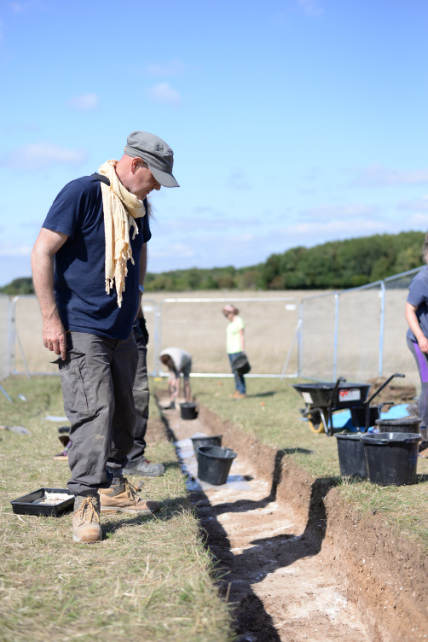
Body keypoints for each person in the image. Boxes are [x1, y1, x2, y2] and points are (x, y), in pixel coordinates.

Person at [31, 131, 179, 544]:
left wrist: (137, 298)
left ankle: (113, 488)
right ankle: (85, 500)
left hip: (122, 327)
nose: (156, 190)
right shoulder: (80, 193)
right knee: (93, 412)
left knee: (125, 413)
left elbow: (141, 249)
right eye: (154, 179)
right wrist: (50, 319)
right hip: (81, 326)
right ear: (134, 165)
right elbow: (41, 252)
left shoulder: (137, 206)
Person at [405, 234, 428, 443]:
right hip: (420, 342)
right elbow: (409, 310)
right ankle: (423, 433)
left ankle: (415, 409)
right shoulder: (422, 279)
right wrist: (421, 338)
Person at [222, 304, 246, 399]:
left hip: (237, 349)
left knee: (239, 371)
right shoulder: (230, 323)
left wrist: (243, 349)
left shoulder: (239, 321)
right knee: (234, 371)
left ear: (232, 313)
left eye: (227, 314)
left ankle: (242, 391)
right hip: (230, 350)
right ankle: (237, 390)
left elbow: (242, 336)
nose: (226, 316)